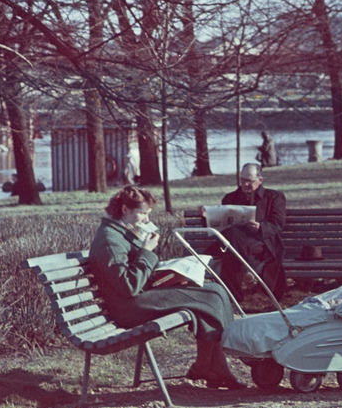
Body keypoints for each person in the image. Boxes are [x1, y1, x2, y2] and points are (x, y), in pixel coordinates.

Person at [89, 186, 245, 390]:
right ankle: (209, 367)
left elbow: (134, 275)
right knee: (209, 297)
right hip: (129, 307)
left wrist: (170, 273)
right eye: (143, 213)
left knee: (215, 290)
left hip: (141, 296)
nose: (146, 219)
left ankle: (213, 365)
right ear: (125, 209)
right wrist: (146, 251)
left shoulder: (121, 232)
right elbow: (128, 286)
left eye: (148, 214)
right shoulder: (110, 240)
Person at [201, 163, 286, 303]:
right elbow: (219, 224)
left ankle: (234, 300)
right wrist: (206, 216)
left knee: (230, 252)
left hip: (261, 241)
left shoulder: (274, 197)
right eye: (242, 180)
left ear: (260, 180)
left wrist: (260, 227)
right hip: (234, 242)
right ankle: (245, 272)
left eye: (250, 181)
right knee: (232, 236)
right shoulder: (230, 198)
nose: (245, 184)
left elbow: (278, 223)